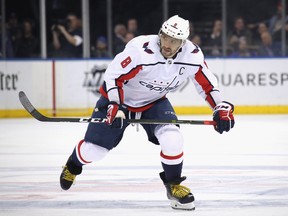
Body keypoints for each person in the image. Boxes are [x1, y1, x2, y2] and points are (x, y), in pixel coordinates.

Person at [59, 15, 235, 211]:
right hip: (120, 100)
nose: (167, 44)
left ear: (183, 43)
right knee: (95, 151)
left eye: (174, 41)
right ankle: (73, 165)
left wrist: (220, 107)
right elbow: (113, 76)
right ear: (160, 33)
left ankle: (174, 185)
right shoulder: (140, 50)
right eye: (165, 37)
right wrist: (115, 105)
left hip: (154, 102)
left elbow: (207, 85)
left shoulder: (192, 56)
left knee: (173, 137)